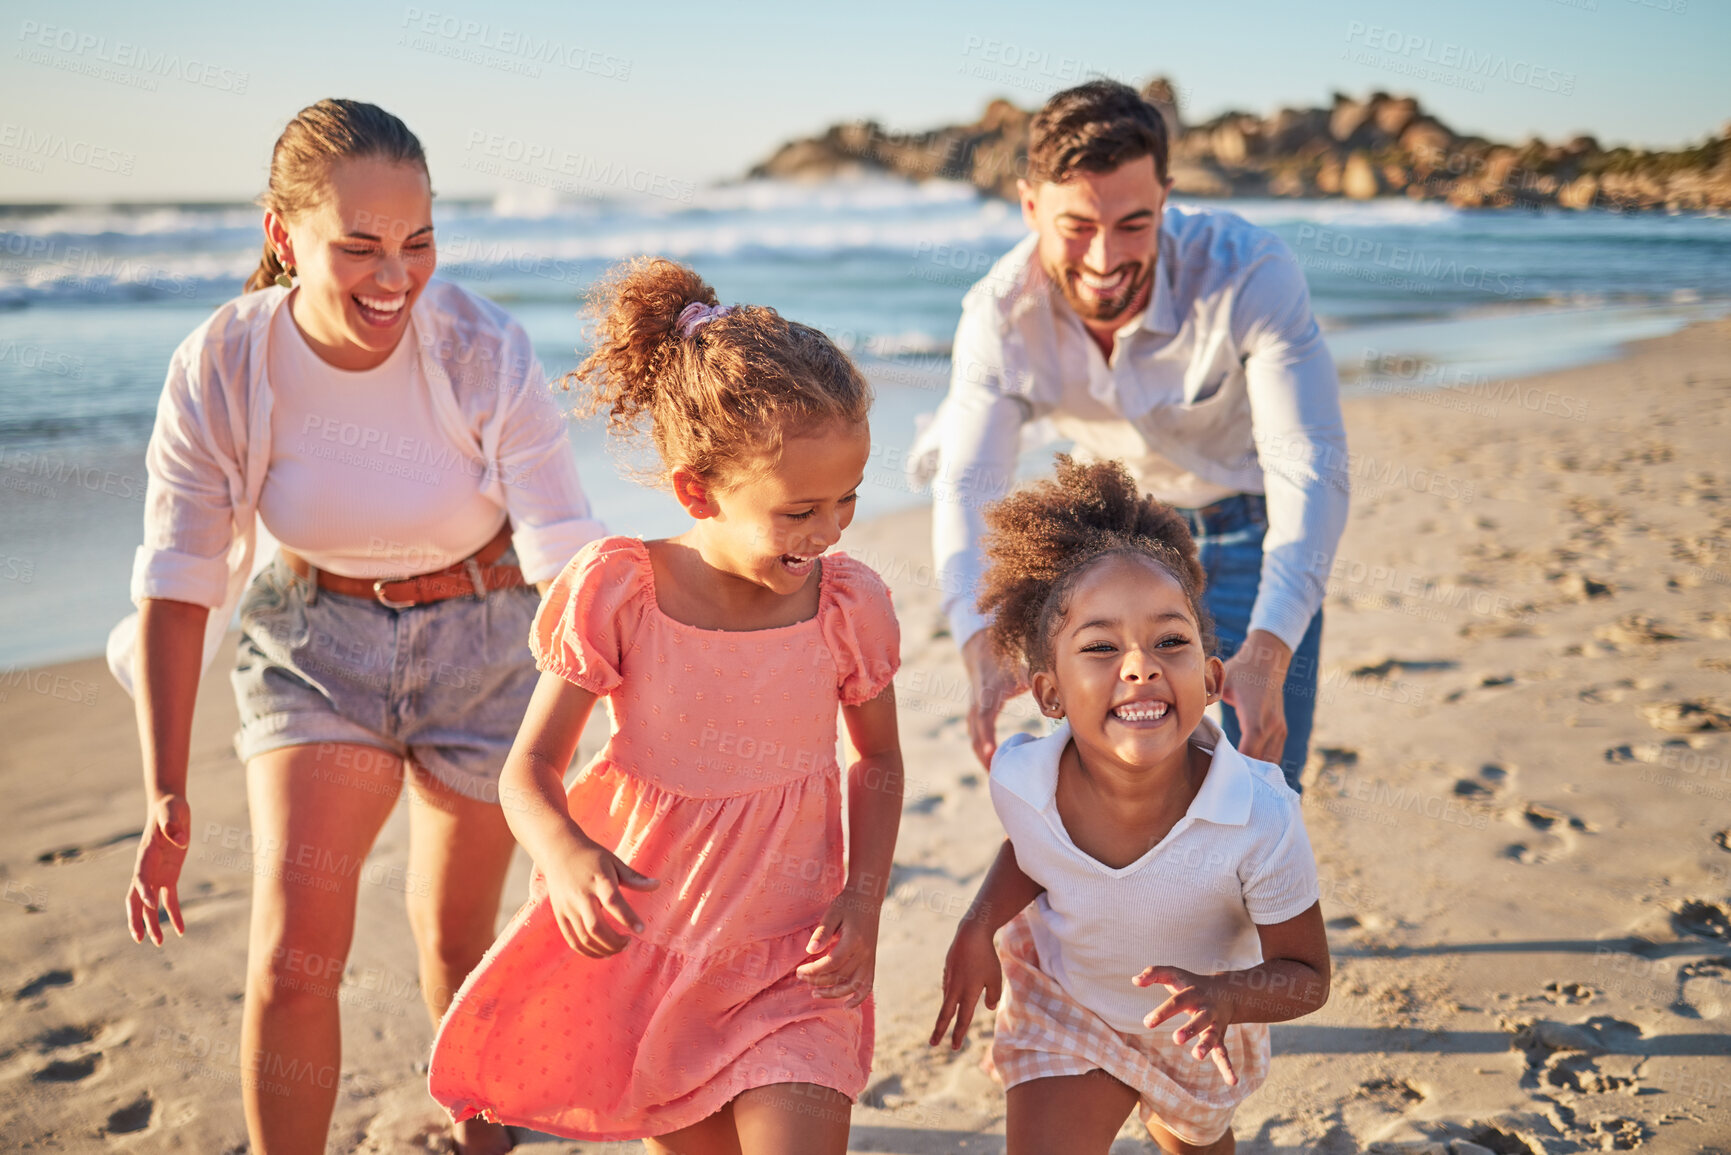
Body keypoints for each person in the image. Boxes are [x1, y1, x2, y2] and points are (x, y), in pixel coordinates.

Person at [112, 99, 603, 1155]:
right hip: (312, 647)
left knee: (456, 936)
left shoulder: (482, 346)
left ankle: (483, 1135)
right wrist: (164, 788)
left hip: (485, 643)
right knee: (294, 955)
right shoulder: (223, 365)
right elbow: (178, 577)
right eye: (361, 246)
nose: (396, 276)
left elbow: (565, 545)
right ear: (281, 235)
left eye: (419, 242)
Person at [427, 257, 905, 1154]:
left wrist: (864, 897)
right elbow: (526, 770)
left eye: (848, 498)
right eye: (801, 510)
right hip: (654, 957)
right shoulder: (621, 591)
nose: (831, 529)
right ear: (697, 491)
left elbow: (876, 758)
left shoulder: (847, 606)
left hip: (793, 960)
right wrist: (566, 858)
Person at [912, 80, 1349, 790]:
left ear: (1166, 198)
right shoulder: (1000, 314)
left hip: (1249, 530)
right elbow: (968, 484)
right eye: (1076, 226)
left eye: (1134, 224)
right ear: (1030, 206)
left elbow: (1310, 465)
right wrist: (976, 643)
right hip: (1113, 542)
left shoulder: (1247, 271)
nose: (1104, 258)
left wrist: (1269, 648)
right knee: (1113, 794)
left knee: (1260, 794)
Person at [928, 456, 1330, 1154]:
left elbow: (1308, 976)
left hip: (1197, 1029)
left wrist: (1227, 997)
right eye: (1101, 645)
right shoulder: (1024, 777)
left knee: (1193, 1144)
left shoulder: (1260, 817)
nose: (1140, 664)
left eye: (1169, 641)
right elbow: (1031, 851)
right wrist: (976, 924)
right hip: (1065, 1004)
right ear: (1049, 693)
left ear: (1210, 680)